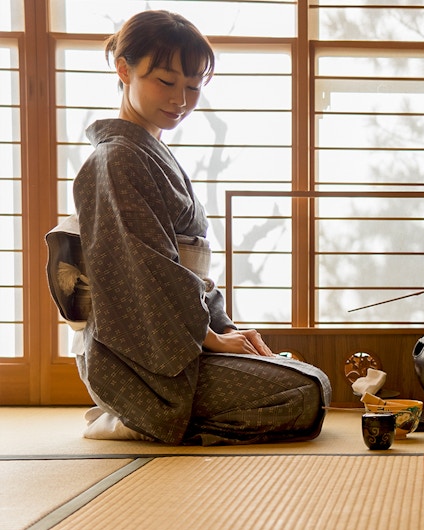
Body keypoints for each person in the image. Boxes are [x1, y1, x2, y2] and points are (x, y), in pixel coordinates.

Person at [47, 9, 331, 445]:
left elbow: (189, 273)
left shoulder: (147, 153)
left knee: (309, 379)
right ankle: (137, 416)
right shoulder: (118, 158)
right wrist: (207, 336)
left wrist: (226, 329)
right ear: (124, 70)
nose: (180, 99)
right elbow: (144, 272)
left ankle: (146, 417)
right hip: (136, 359)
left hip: (175, 338)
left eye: (193, 87)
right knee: (304, 392)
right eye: (165, 81)